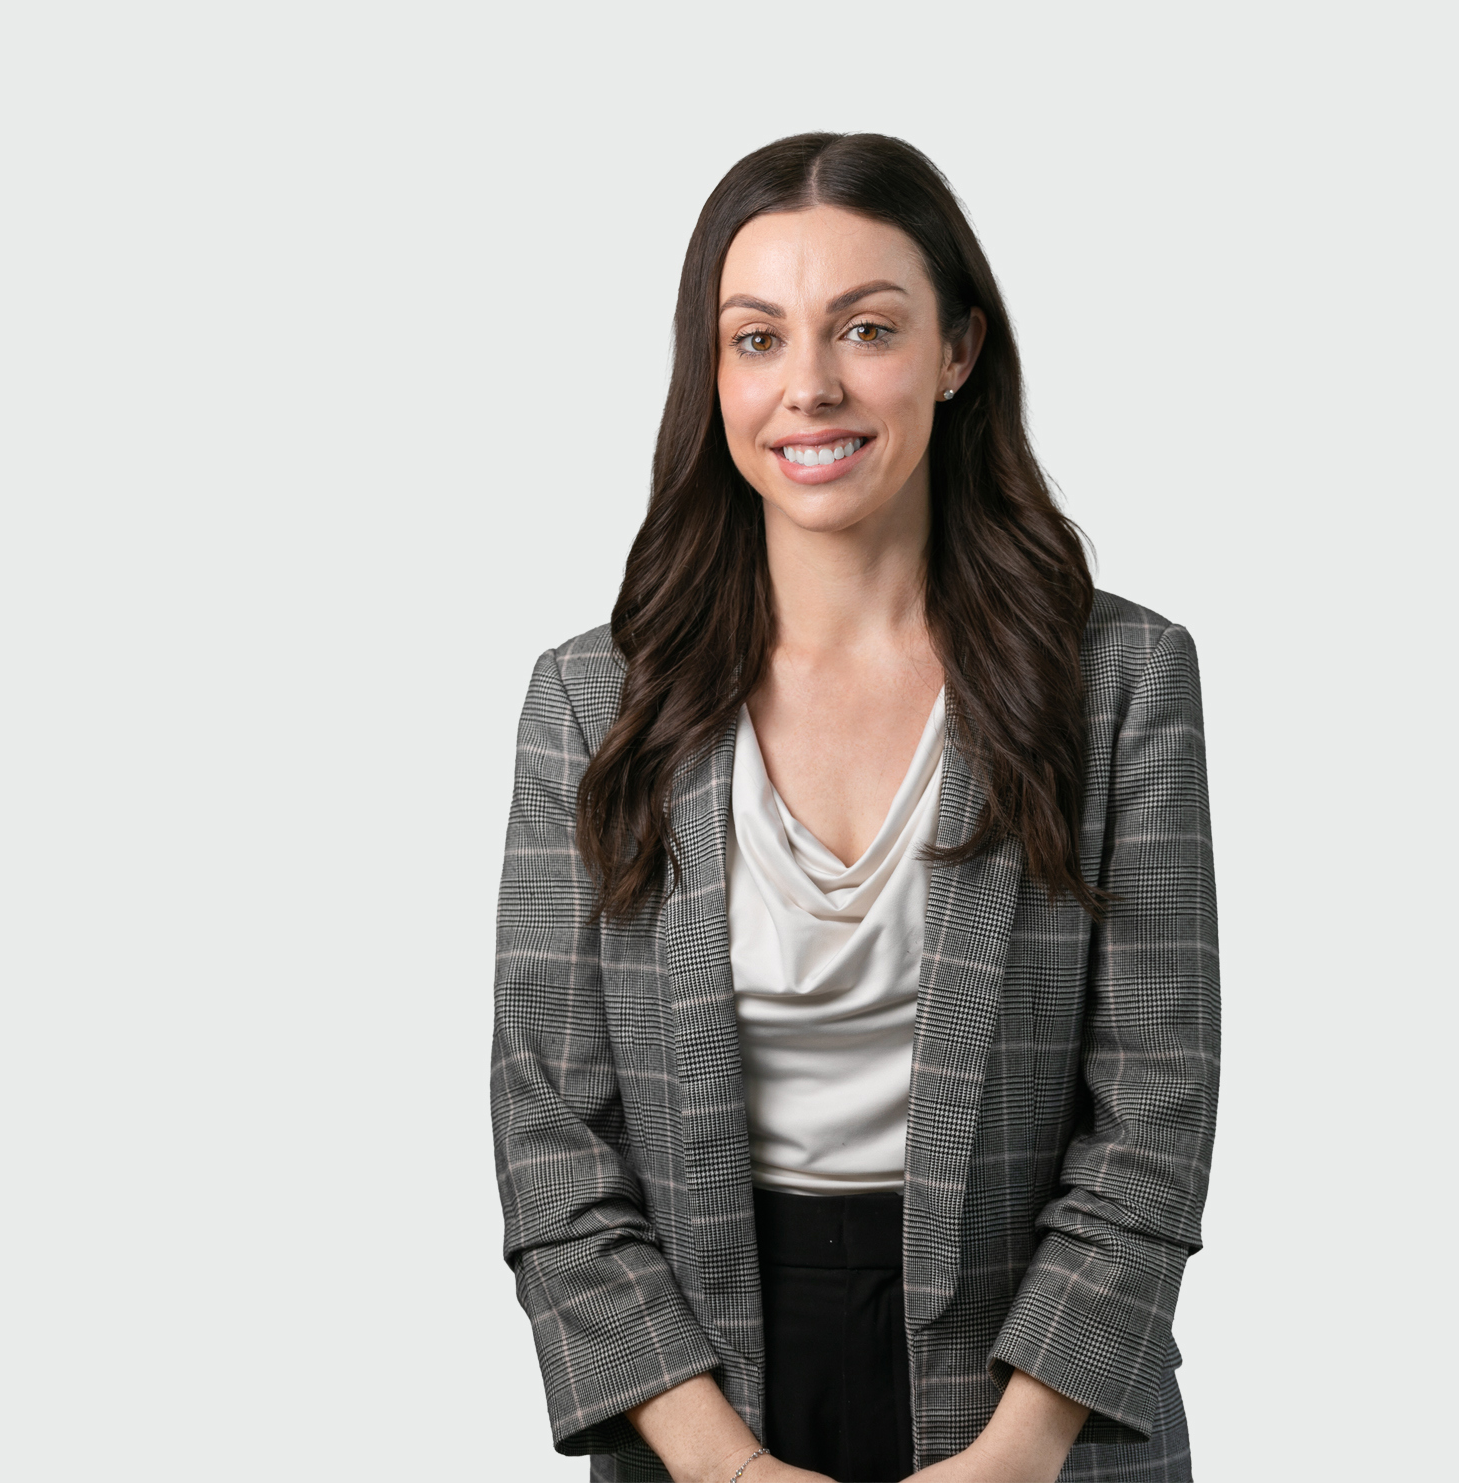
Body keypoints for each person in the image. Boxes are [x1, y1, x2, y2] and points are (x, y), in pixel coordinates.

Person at [491, 132, 1219, 1483]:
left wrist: (1014, 1457)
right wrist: (724, 1466)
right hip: (701, 1401)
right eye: (757, 339)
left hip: (1040, 1408)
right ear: (712, 377)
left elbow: (1152, 1112)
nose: (810, 385)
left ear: (958, 352)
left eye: (867, 329)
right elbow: (551, 1135)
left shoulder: (1120, 684)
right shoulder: (593, 703)